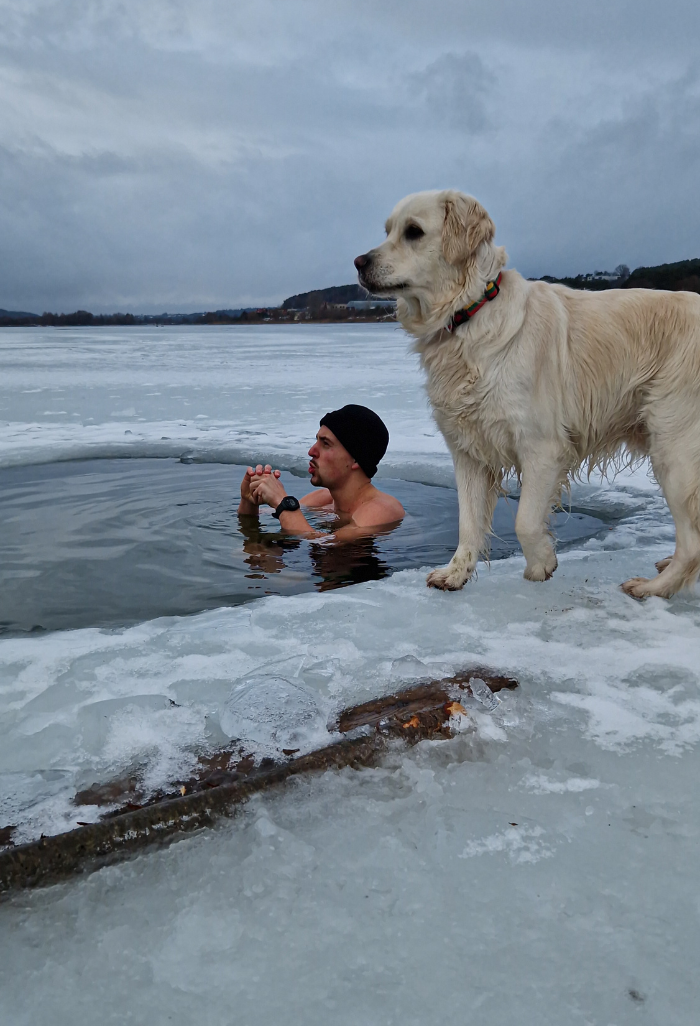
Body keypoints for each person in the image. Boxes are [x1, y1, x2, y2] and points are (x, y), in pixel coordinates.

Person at [237, 404, 404, 540]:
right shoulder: (323, 500)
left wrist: (283, 502)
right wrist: (250, 500)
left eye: (326, 444)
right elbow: (270, 517)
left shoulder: (382, 509)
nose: (311, 451)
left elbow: (324, 545)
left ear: (356, 460)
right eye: (316, 440)